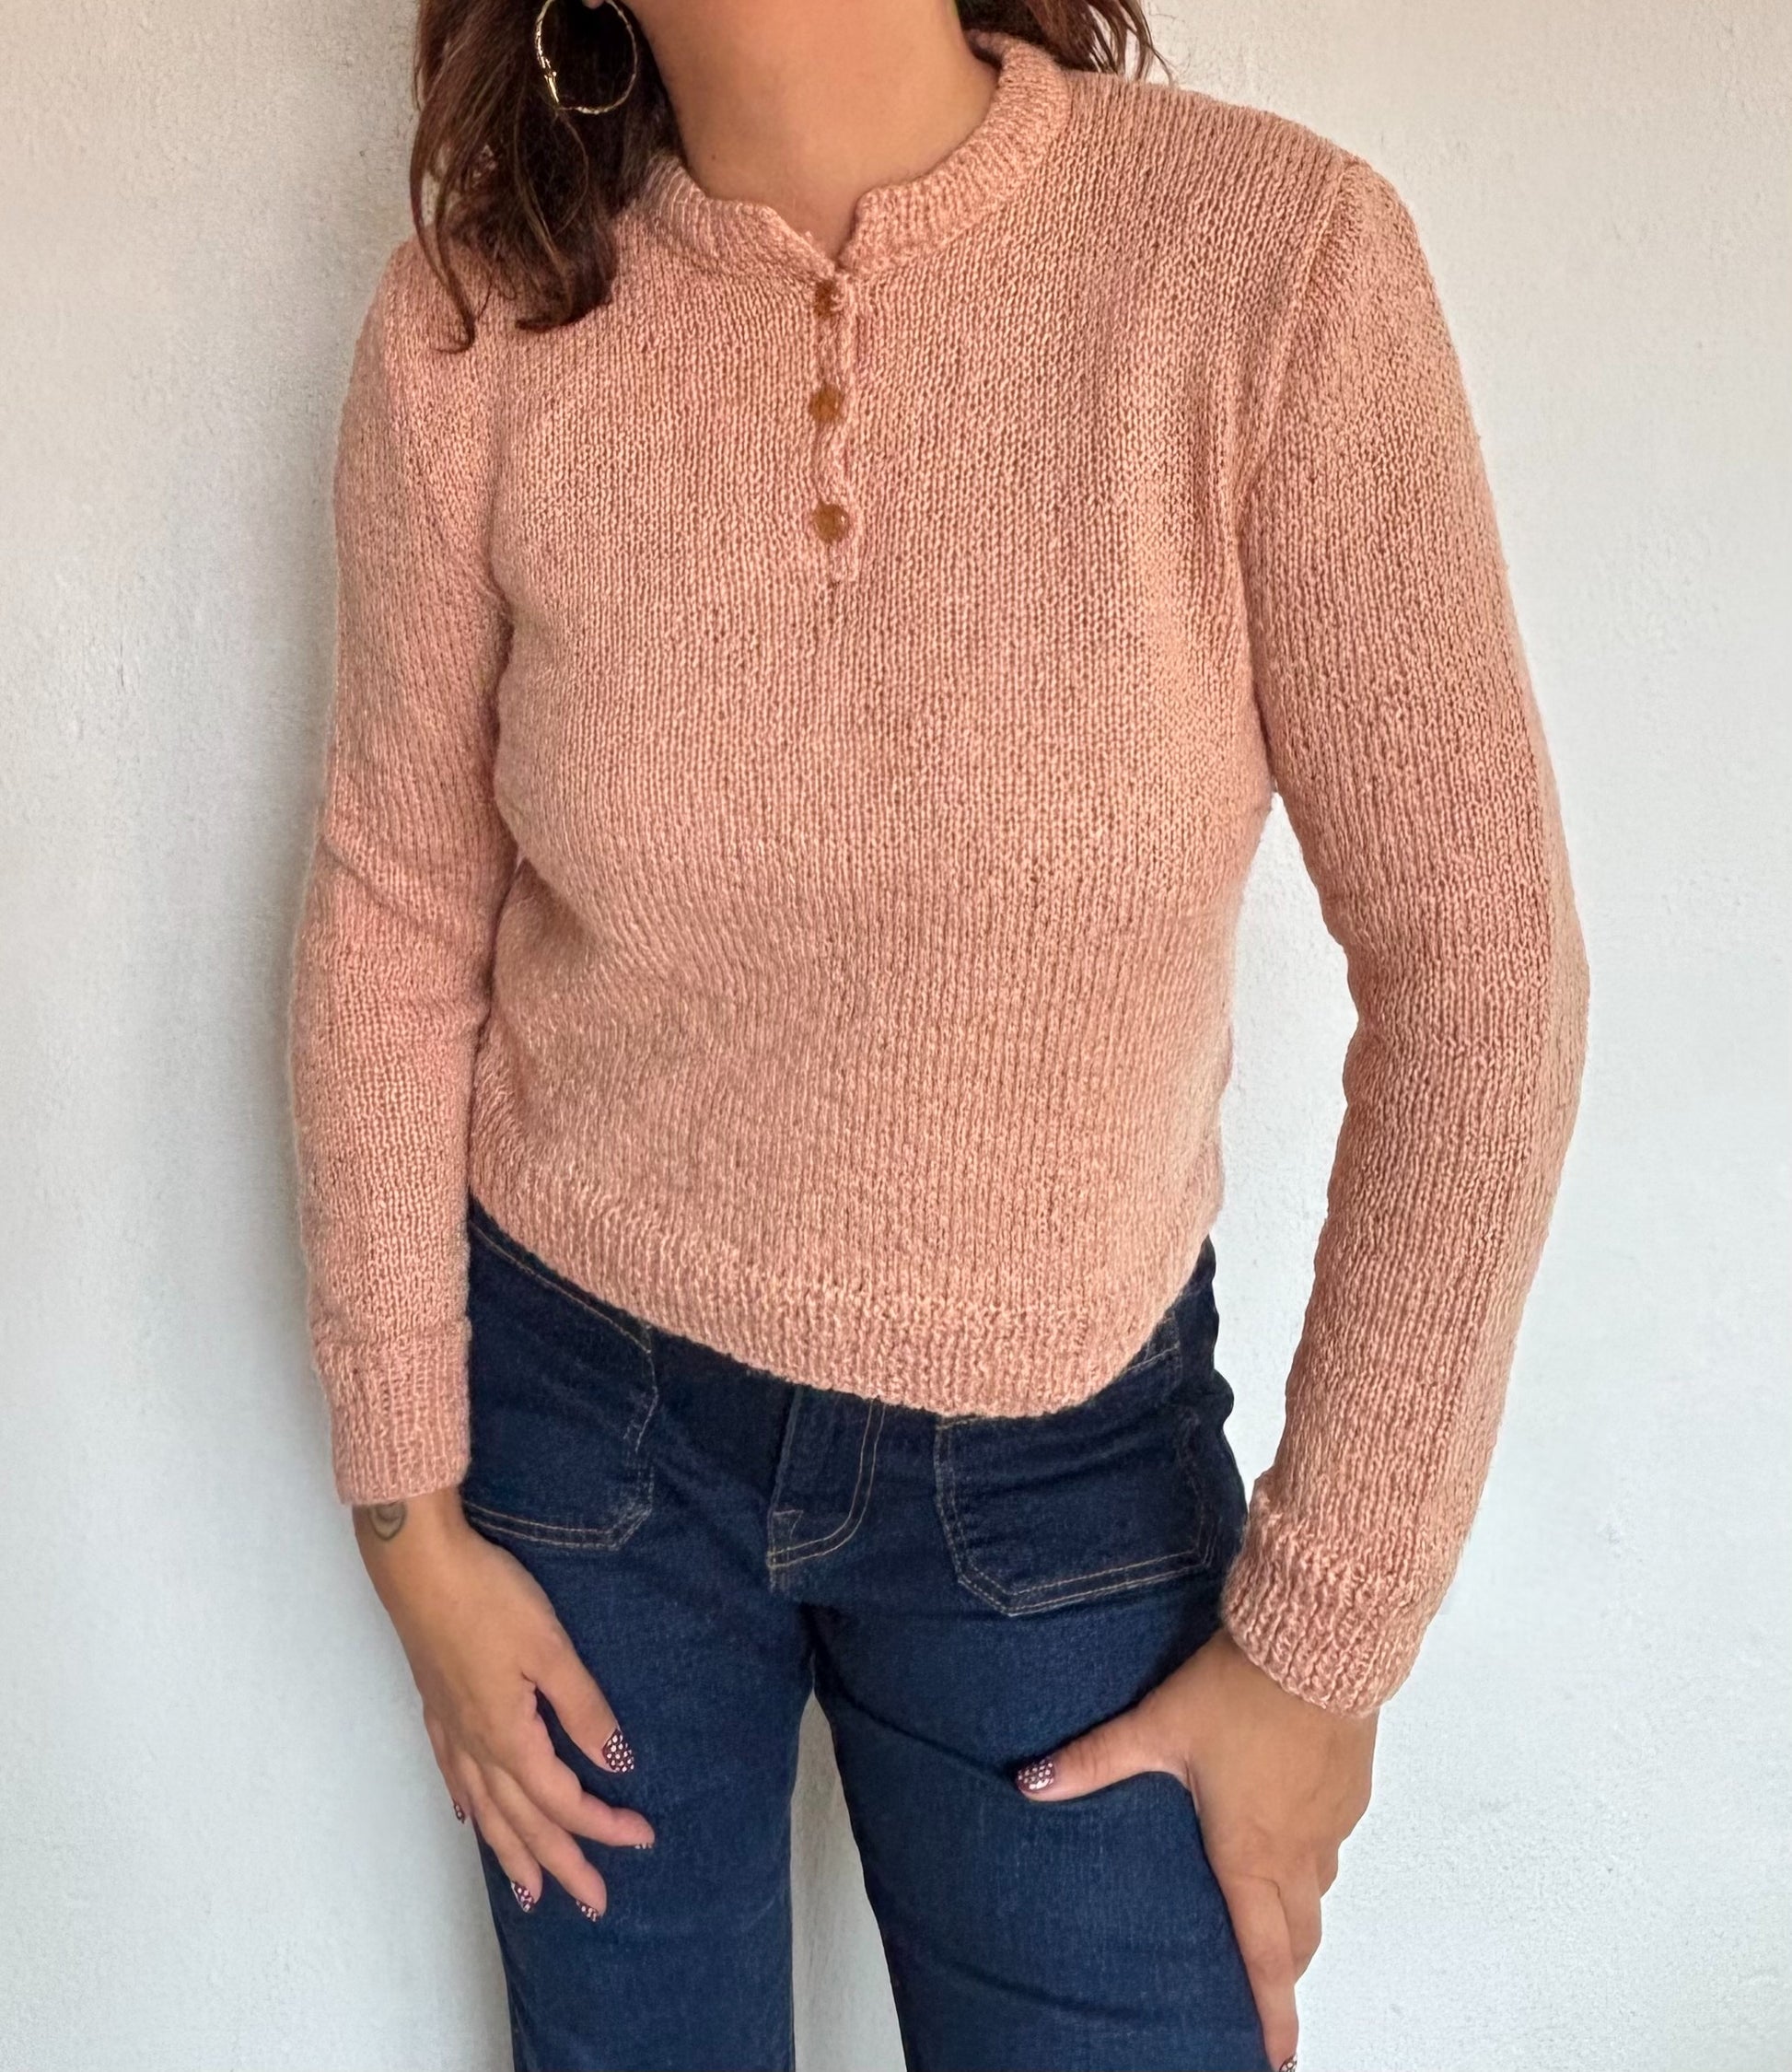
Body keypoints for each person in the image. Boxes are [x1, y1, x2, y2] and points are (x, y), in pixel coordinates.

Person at [285, 0, 1590, 2065]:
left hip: (1064, 1472)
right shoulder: (473, 332)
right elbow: (392, 912)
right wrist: (408, 1523)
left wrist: (1321, 1650)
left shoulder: (1267, 268)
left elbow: (1481, 970)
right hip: (583, 1440)